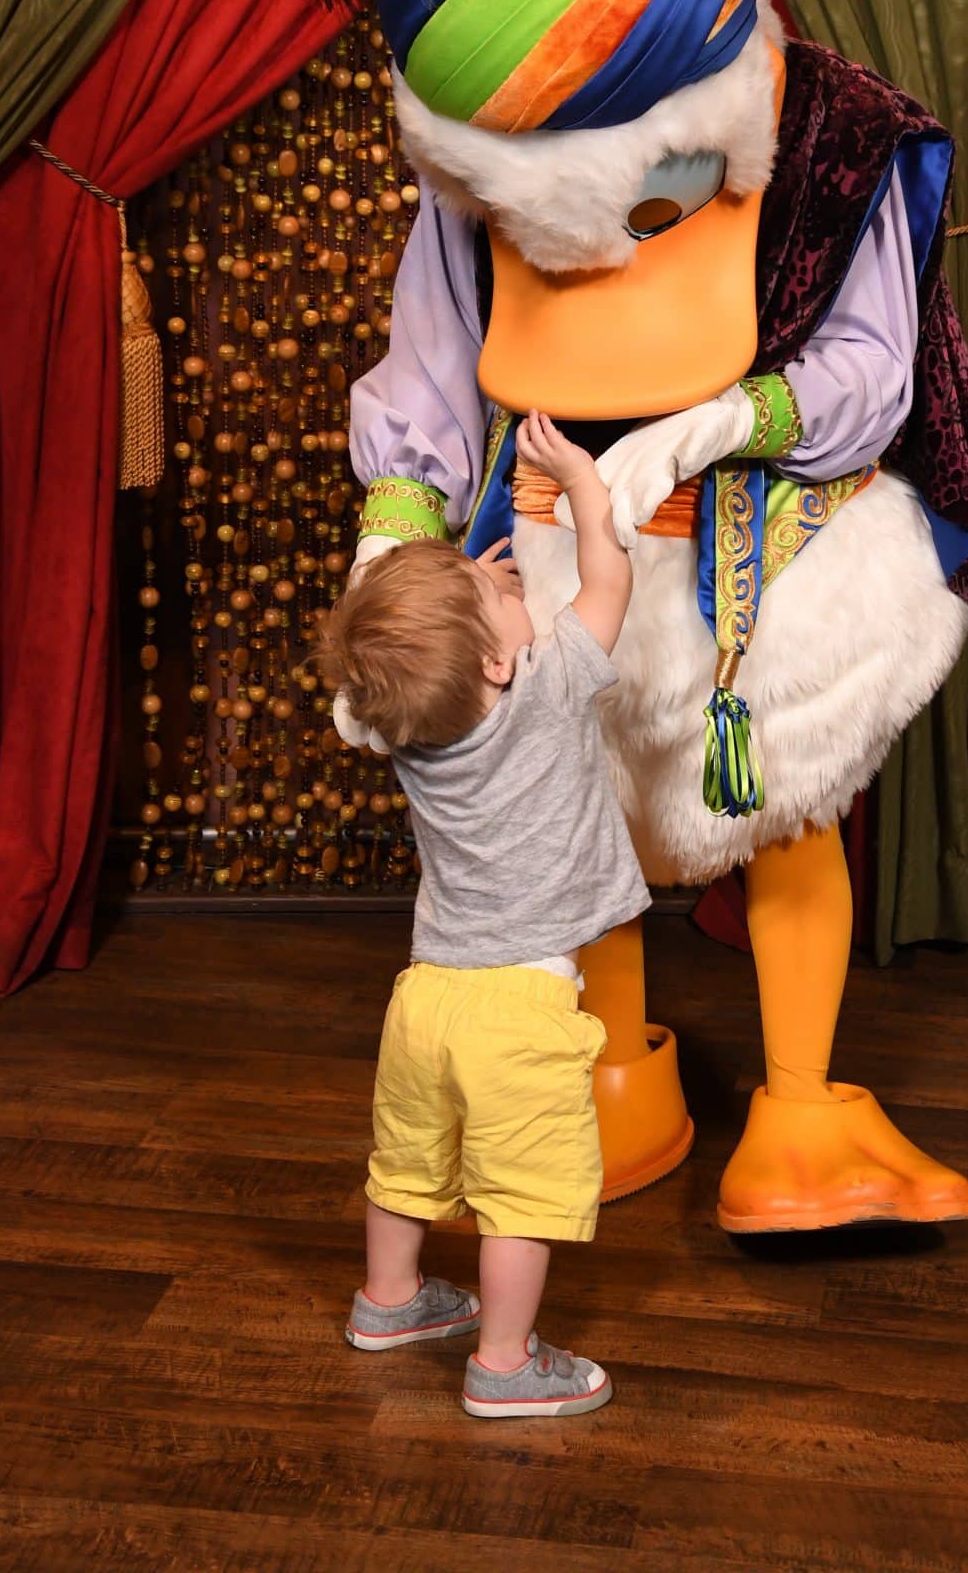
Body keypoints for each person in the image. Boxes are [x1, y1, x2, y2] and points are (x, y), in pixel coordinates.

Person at [318, 409, 649, 1419]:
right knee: (523, 1196)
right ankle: (504, 1365)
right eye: (496, 598)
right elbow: (608, 585)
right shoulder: (548, 692)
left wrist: (469, 597)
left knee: (408, 1160)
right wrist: (584, 484)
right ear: (502, 664)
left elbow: (405, 656)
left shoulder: (404, 732)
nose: (510, 588)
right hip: (521, 1007)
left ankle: (390, 1299)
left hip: (426, 996)